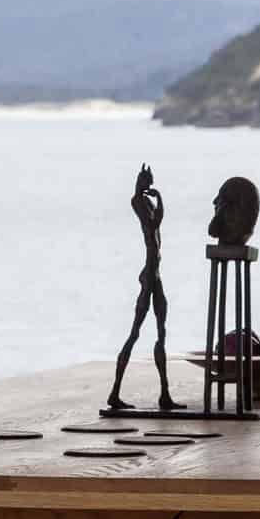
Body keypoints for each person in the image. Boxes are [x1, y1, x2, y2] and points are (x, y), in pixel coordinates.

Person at [108, 163, 181, 411]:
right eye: (146, 182)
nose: (148, 187)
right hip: (150, 273)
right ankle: (114, 393)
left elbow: (157, 226)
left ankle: (165, 395)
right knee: (135, 333)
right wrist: (159, 200)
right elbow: (153, 226)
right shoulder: (138, 202)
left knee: (161, 331)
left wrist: (158, 201)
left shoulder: (147, 203)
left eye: (150, 183)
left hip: (155, 271)